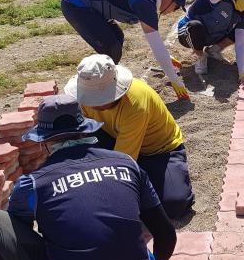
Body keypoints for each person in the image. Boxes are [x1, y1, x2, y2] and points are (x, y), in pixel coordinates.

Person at [0, 94, 177, 260]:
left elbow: (20, 237)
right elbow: (167, 235)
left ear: (43, 142)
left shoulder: (33, 183)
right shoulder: (127, 164)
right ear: (85, 130)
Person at [65, 54, 195, 219]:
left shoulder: (135, 104)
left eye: (97, 99)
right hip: (114, 137)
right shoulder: (84, 97)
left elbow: (122, 162)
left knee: (174, 204)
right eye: (89, 98)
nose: (92, 104)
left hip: (159, 151)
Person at [61, 0, 191, 100]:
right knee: (111, 48)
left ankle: (104, 83)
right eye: (176, 7)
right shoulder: (145, 1)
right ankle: (91, 91)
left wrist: (166, 57)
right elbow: (155, 44)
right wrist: (174, 79)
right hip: (76, 2)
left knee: (118, 37)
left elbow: (155, 41)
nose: (173, 11)